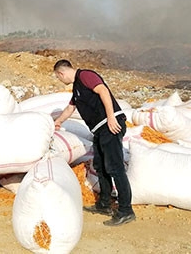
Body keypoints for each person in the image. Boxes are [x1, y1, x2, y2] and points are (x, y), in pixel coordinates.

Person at [53, 59, 136, 226]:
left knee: (115, 167)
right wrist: (58, 122)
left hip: (110, 125)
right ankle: (104, 204)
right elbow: (70, 108)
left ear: (61, 73)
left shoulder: (86, 75)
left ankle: (126, 210)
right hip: (99, 130)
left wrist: (111, 117)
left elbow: (103, 91)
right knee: (100, 165)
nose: (60, 80)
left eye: (58, 77)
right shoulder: (77, 88)